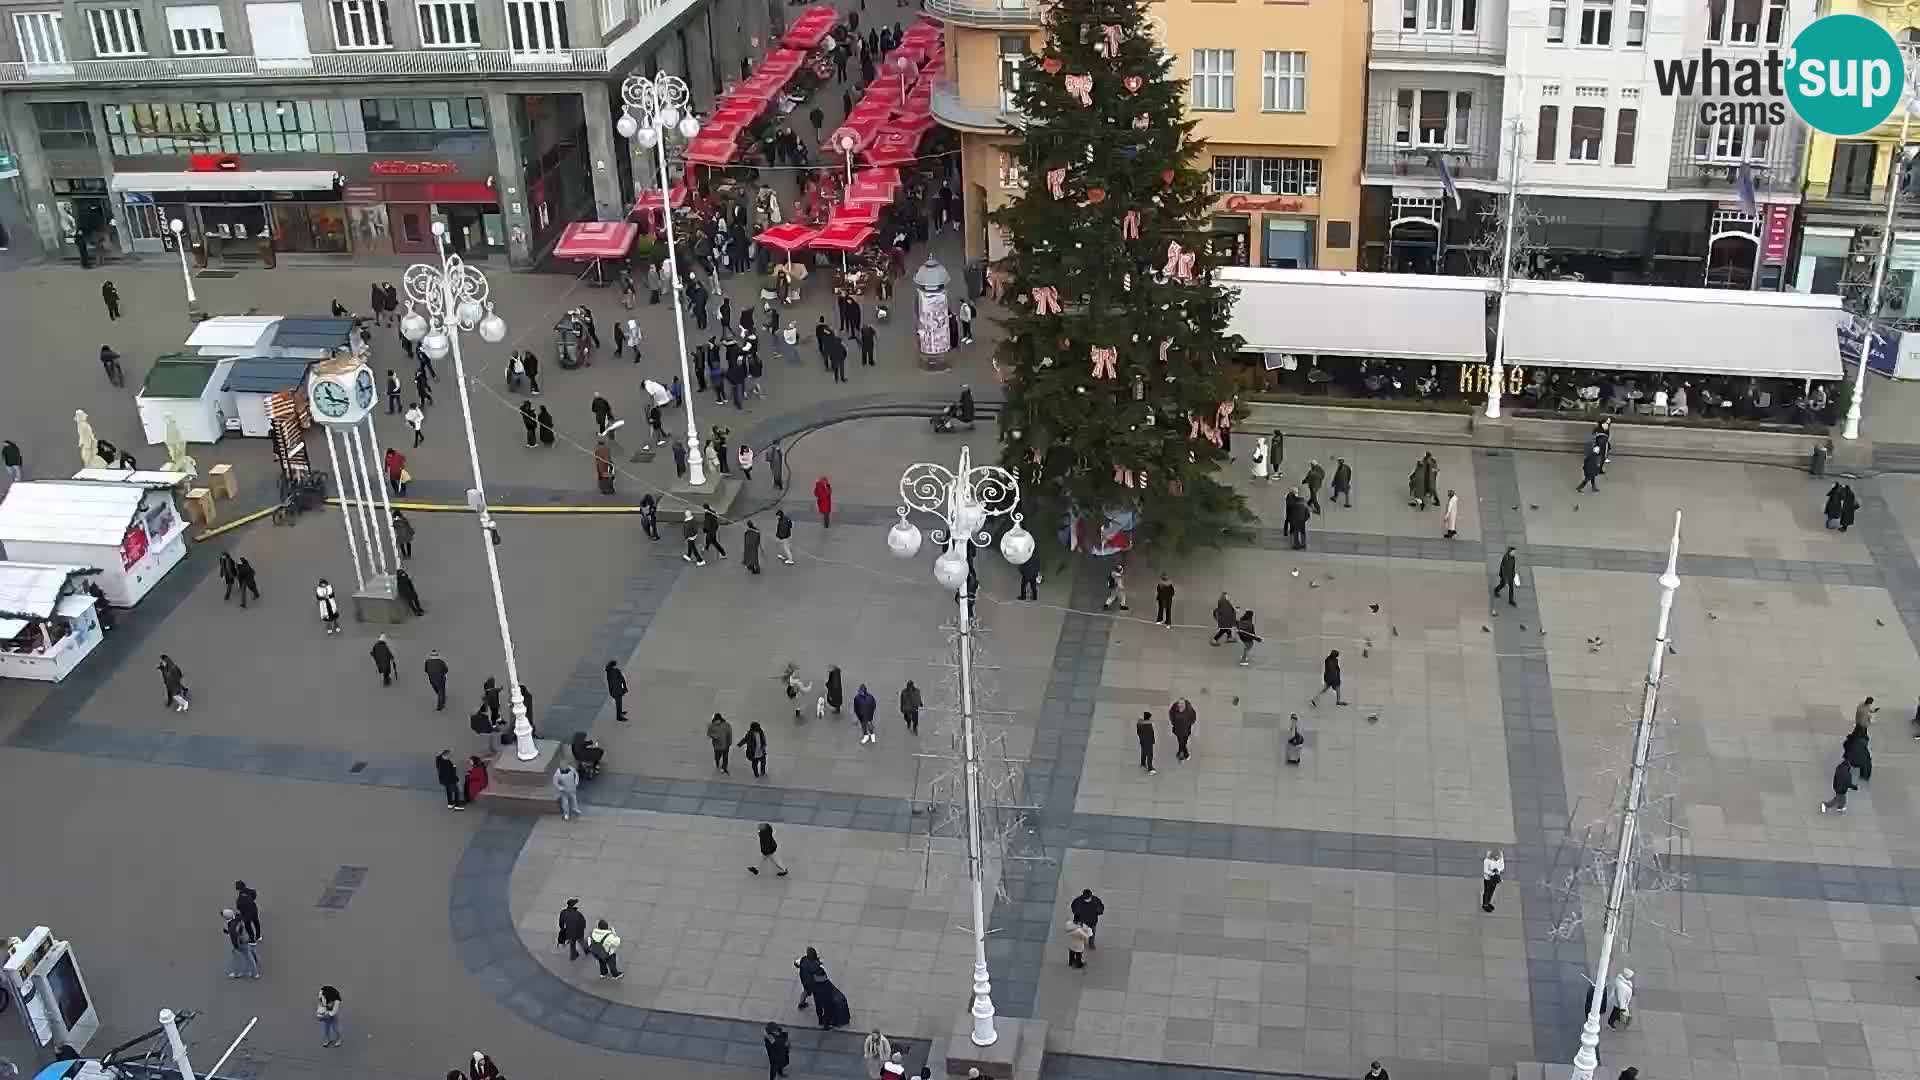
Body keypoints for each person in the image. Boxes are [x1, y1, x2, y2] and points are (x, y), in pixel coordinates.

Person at [223, 907, 260, 978]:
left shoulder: (232, 927)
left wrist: (236, 946)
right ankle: (255, 968)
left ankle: (240, 973)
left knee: (239, 956)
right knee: (250, 952)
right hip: (245, 938)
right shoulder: (237, 918)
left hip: (241, 942)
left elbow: (234, 937)